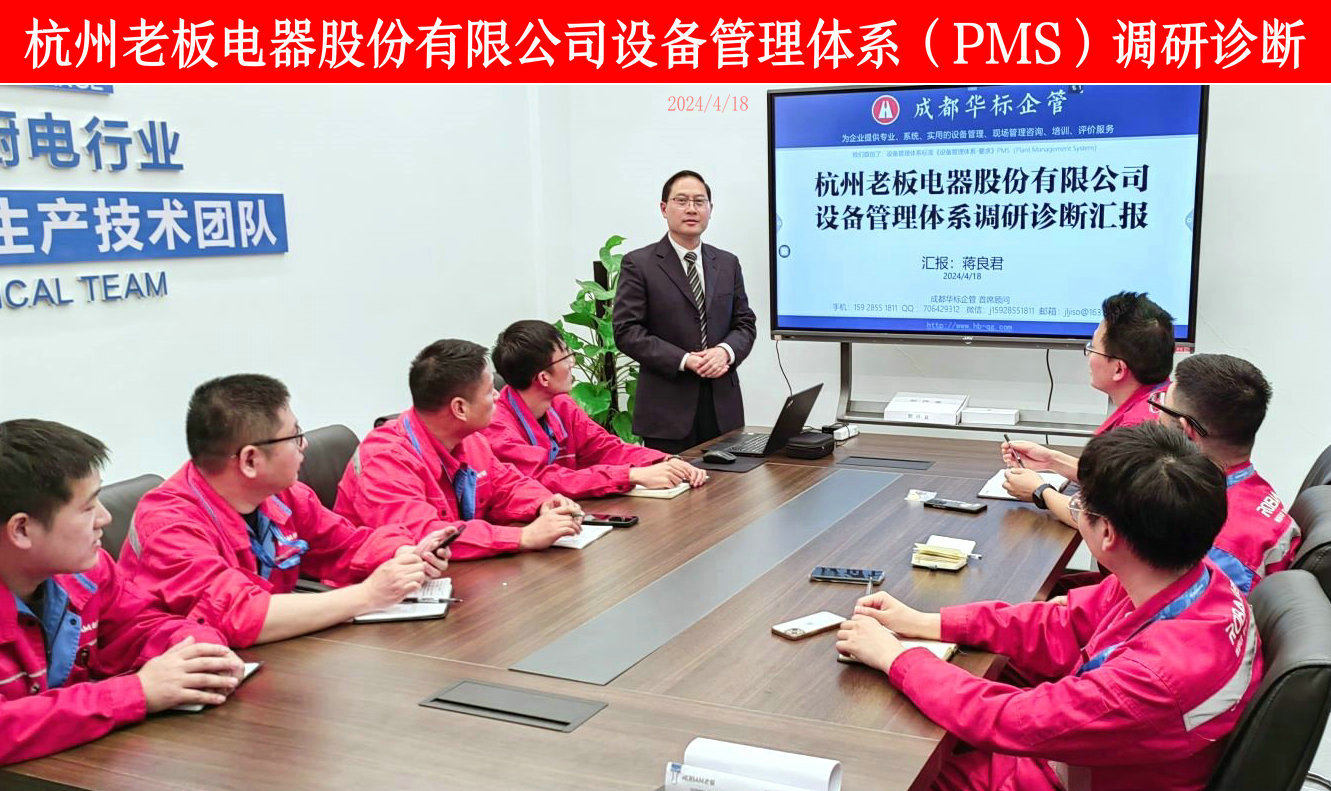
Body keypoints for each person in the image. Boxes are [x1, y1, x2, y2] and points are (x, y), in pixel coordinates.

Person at [836, 423, 1262, 791]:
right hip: (1104, 757)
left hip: (1073, 777)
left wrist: (896, 658)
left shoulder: (1151, 678)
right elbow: (1063, 622)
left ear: (1107, 534)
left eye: (1080, 506)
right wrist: (929, 622)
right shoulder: (1197, 578)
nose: (1076, 509)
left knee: (877, 772)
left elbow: (1009, 718)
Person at [120, 375, 452, 648]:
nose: (303, 445)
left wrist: (404, 554)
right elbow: (238, 615)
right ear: (250, 460)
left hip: (271, 653)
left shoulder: (282, 495)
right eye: (295, 436)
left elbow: (345, 544)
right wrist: (367, 596)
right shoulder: (168, 523)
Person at [0, 419, 245, 764]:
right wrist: (137, 692)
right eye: (88, 508)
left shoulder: (86, 573)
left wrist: (201, 654)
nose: (105, 518)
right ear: (22, 530)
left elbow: (145, 624)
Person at [335, 339, 584, 559]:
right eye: (489, 391)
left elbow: (506, 485)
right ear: (460, 408)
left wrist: (543, 503)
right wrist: (523, 537)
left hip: (453, 574)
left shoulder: (469, 439)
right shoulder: (385, 458)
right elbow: (426, 536)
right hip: (382, 586)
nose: (497, 396)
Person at [613, 170, 758, 453]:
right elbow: (627, 331)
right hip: (667, 410)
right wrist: (684, 360)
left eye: (699, 202)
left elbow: (745, 323)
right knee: (673, 480)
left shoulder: (727, 263)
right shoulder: (639, 264)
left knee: (731, 481)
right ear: (664, 208)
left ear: (710, 209)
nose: (691, 209)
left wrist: (725, 352)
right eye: (681, 201)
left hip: (722, 408)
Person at [1002, 290, 1175, 523]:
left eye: (1092, 347)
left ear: (1118, 369)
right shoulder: (1161, 401)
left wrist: (1040, 491)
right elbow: (1117, 484)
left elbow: (1100, 520)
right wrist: (1051, 460)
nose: (1088, 356)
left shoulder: (1136, 432)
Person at [485, 319, 708, 499]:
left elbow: (604, 448)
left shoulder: (561, 404)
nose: (572, 363)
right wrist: (630, 475)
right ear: (543, 378)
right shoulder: (497, 426)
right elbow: (542, 479)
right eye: (566, 357)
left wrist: (664, 461)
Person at [1151, 354, 1299, 593]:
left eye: (1162, 409)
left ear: (1188, 431)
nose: (1156, 420)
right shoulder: (1251, 489)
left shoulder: (1212, 544)